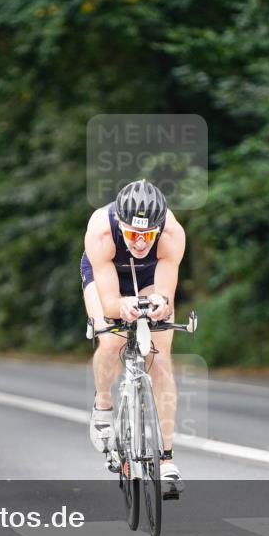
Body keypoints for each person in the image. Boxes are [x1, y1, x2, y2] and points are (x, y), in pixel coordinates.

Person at [80, 179, 186, 495]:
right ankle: (102, 402)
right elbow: (110, 299)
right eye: (133, 234)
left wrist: (160, 303)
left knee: (160, 359)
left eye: (147, 235)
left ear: (158, 229)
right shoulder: (101, 230)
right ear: (121, 225)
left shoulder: (171, 234)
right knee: (111, 338)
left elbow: (165, 292)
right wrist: (119, 306)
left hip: (151, 273)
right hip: (107, 270)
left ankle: (166, 459)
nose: (140, 241)